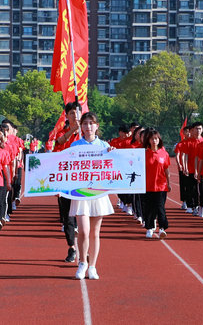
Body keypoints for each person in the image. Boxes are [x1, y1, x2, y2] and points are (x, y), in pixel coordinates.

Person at [69, 112, 115, 280]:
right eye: (85, 123)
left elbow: (114, 167)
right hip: (80, 193)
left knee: (95, 232)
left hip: (98, 192)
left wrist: (112, 153)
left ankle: (93, 266)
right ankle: (82, 263)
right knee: (83, 231)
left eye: (91, 123)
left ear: (97, 126)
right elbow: (65, 168)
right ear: (81, 126)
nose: (88, 126)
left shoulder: (105, 145)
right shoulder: (75, 147)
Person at [54, 101, 82, 263]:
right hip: (65, 181)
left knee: (84, 216)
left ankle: (85, 251)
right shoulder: (62, 132)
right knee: (68, 218)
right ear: (67, 115)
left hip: (83, 182)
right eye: (71, 113)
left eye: (77, 113)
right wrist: (73, 130)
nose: (75, 116)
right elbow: (60, 143)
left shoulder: (86, 134)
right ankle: (72, 248)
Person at [143, 128, 171, 239]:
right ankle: (149, 228)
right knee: (149, 208)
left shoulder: (164, 154)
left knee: (160, 208)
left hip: (161, 186)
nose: (154, 141)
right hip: (148, 185)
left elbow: (166, 169)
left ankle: (162, 229)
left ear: (159, 140)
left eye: (156, 139)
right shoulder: (144, 154)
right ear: (148, 140)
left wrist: (168, 183)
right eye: (152, 139)